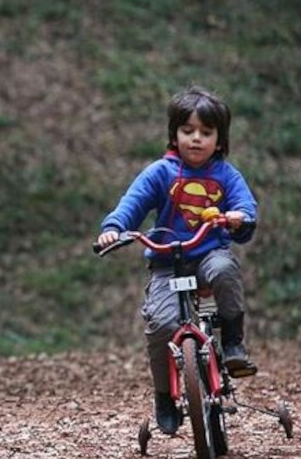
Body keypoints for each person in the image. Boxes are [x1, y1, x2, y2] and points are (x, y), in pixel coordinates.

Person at [96, 85, 259, 436]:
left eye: (206, 132)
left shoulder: (226, 176)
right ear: (175, 134)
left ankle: (232, 341)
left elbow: (246, 209)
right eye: (188, 131)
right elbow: (133, 203)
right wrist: (114, 228)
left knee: (224, 268)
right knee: (159, 325)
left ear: (220, 139)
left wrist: (238, 218)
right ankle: (164, 396)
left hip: (207, 254)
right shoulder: (161, 172)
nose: (196, 139)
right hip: (168, 261)